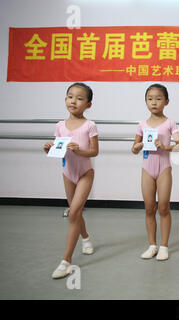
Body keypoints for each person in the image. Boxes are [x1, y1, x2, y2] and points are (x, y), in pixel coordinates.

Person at [43, 83, 99, 279]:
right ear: (66, 99)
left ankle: (66, 261)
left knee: (74, 212)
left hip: (85, 173)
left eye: (79, 98)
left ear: (88, 104)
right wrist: (49, 148)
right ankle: (86, 238)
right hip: (67, 173)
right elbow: (58, 151)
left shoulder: (89, 125)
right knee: (76, 213)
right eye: (70, 96)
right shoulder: (59, 126)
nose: (73, 101)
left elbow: (94, 151)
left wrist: (79, 151)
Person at [132, 84, 179, 261]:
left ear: (166, 101)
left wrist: (165, 146)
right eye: (150, 99)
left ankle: (164, 246)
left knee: (163, 207)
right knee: (149, 208)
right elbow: (134, 149)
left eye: (158, 98)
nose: (154, 102)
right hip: (147, 168)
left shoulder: (170, 123)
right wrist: (138, 145)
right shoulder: (142, 124)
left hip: (164, 168)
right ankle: (152, 245)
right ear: (146, 101)